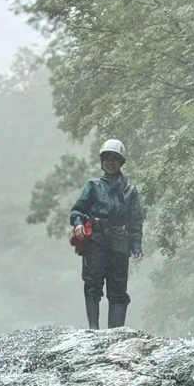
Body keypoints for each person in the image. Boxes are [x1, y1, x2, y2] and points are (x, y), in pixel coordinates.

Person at [69, 139, 144, 330]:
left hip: (120, 243)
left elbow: (135, 220)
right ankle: (93, 329)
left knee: (118, 289)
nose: (110, 163)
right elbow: (77, 210)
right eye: (106, 159)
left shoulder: (130, 190)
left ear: (121, 162)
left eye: (114, 159)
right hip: (96, 241)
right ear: (102, 162)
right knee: (93, 284)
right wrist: (78, 224)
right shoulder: (93, 186)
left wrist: (136, 245)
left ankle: (116, 332)